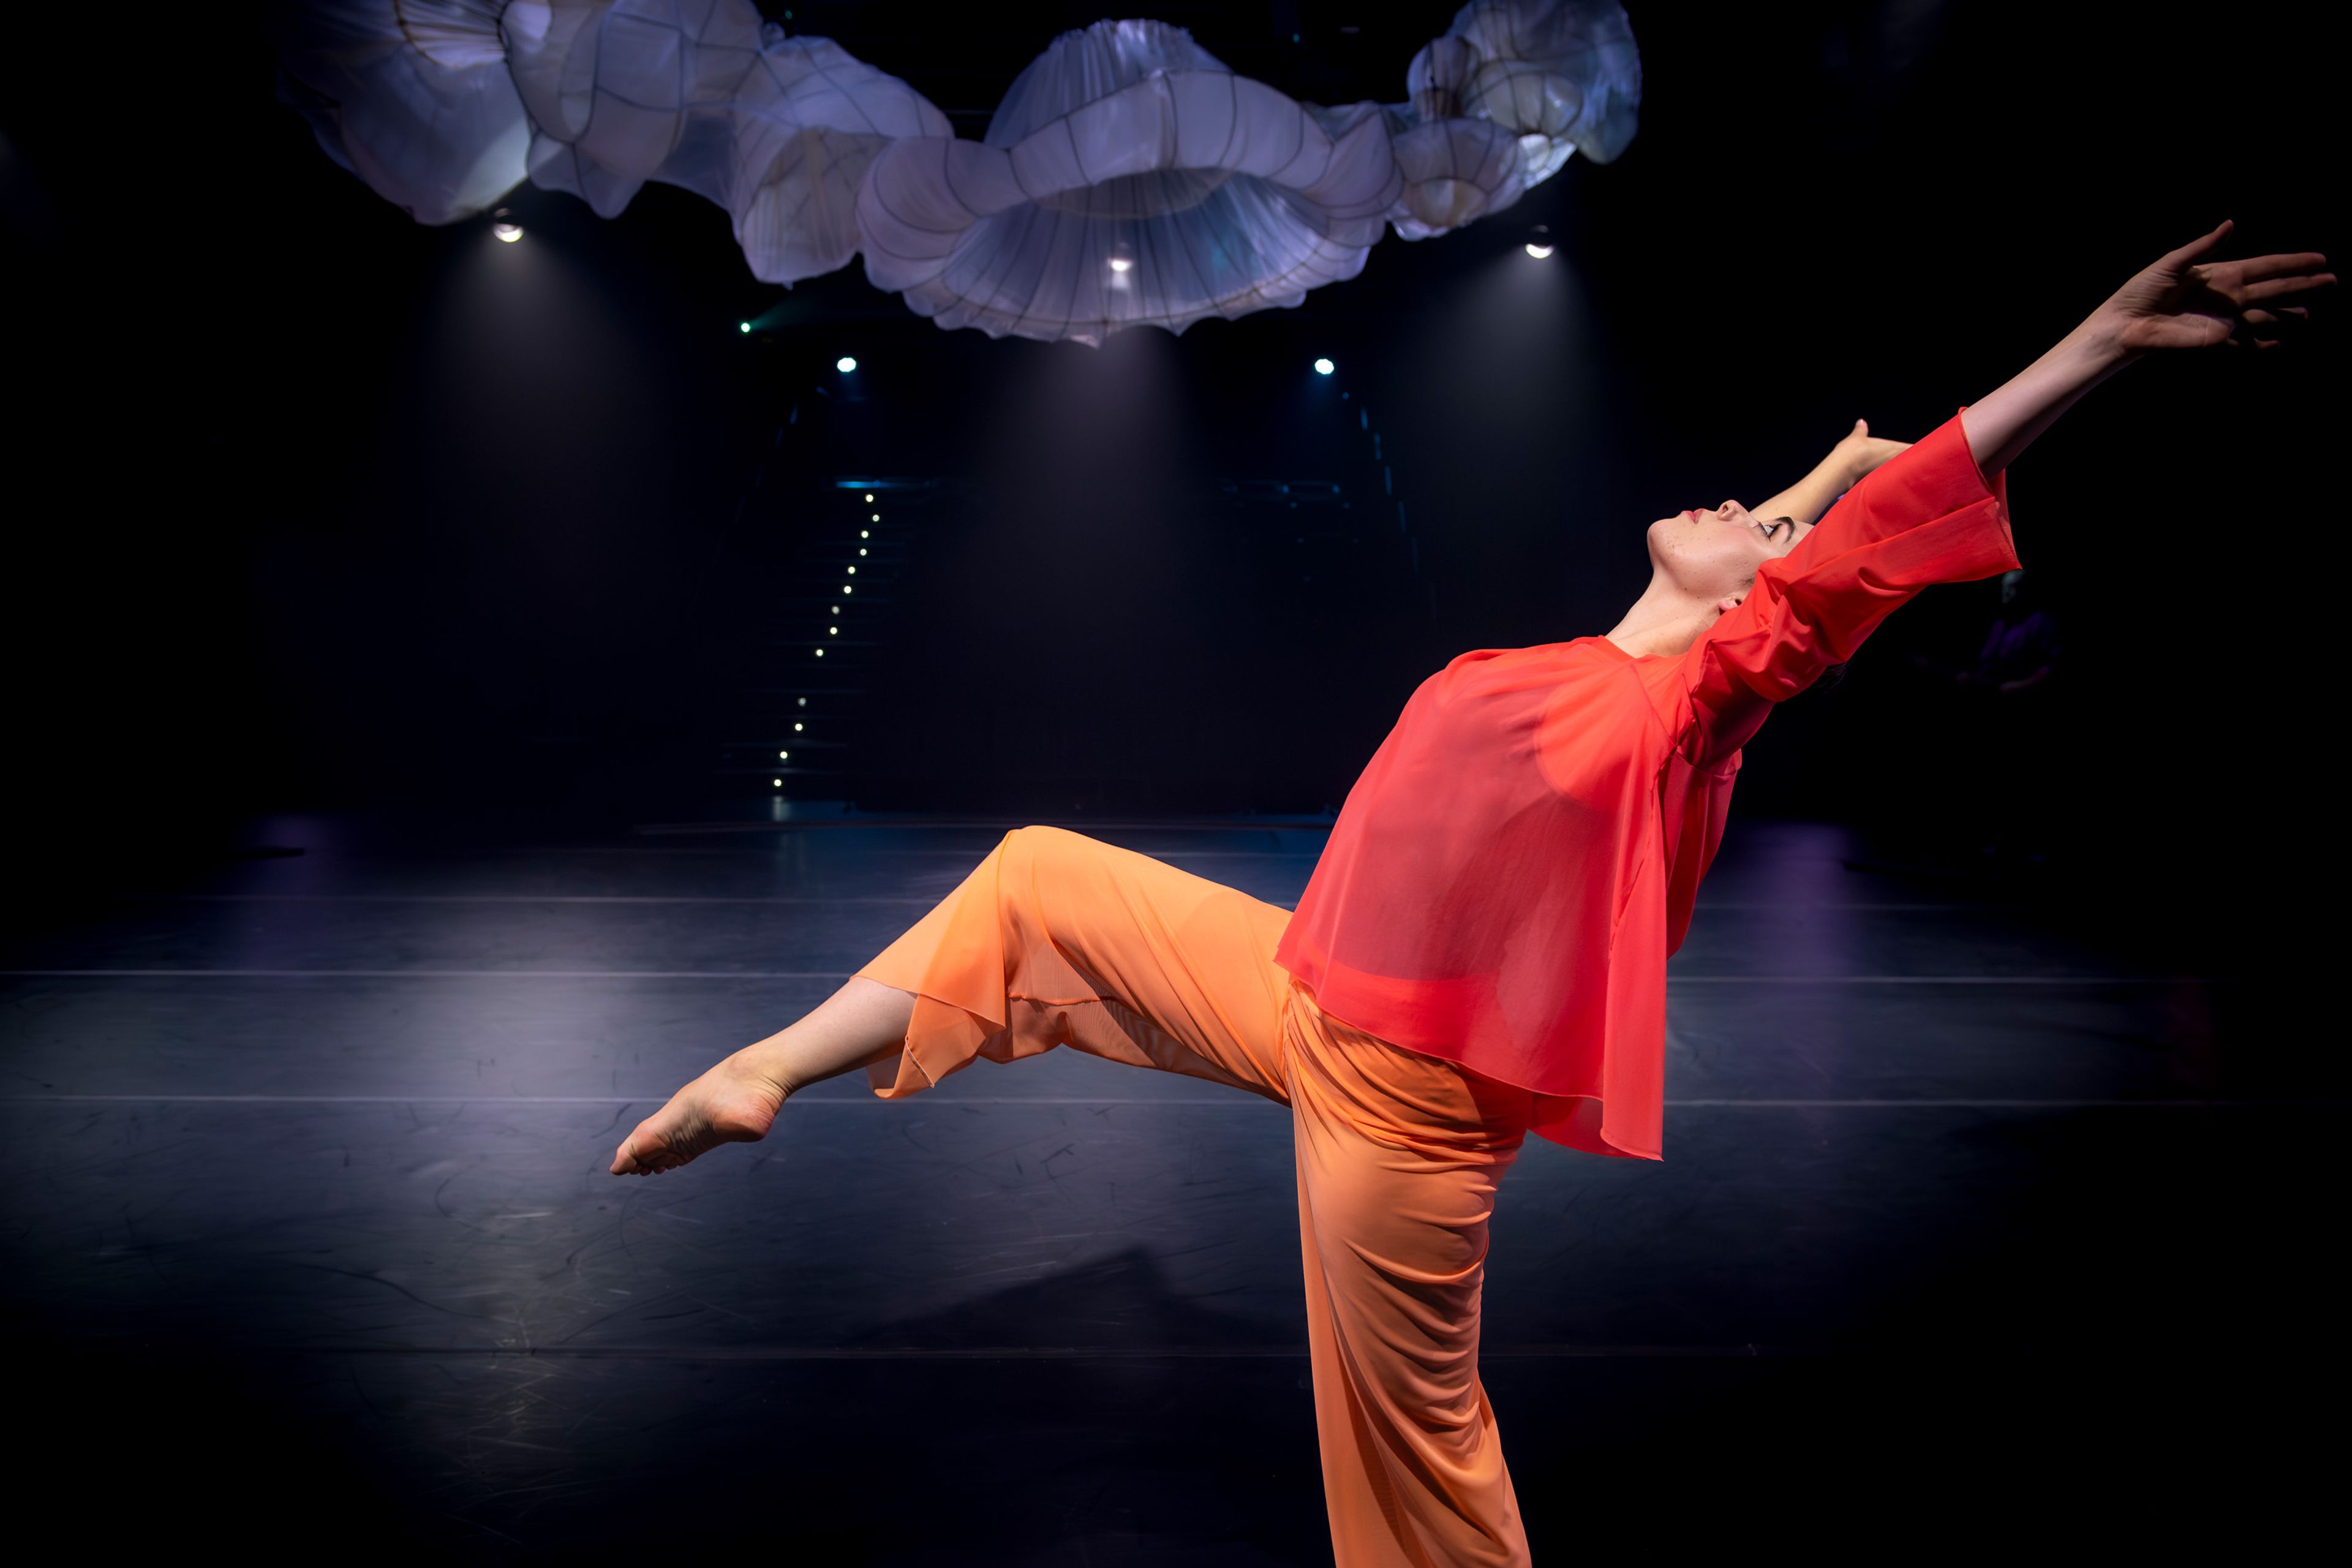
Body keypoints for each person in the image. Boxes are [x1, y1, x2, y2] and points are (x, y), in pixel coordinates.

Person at [609, 224, 2328, 1567]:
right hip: (1302, 983)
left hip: (1407, 1111)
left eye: (1768, 522)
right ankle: (762, 1070)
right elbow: (1786, 545)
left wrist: (2099, 344)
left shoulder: (1699, 698)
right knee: (1040, 876)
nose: (1741, 505)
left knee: (1413, 1461)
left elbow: (1836, 569)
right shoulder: (1599, 656)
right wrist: (1813, 480)